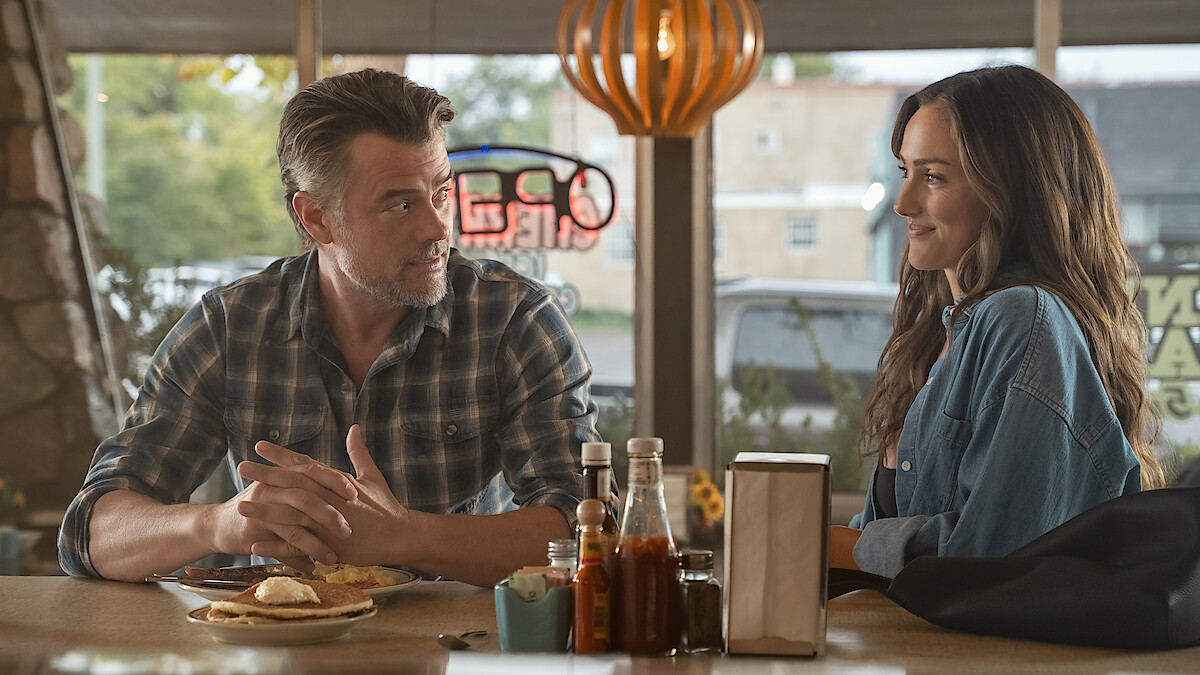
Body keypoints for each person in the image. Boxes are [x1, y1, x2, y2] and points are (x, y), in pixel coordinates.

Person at [58, 69, 603, 587]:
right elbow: (89, 533)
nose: (437, 226)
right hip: (272, 648)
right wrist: (218, 525)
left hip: (453, 649)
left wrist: (408, 537)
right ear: (316, 217)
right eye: (400, 204)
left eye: (441, 192)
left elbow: (586, 530)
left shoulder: (513, 319)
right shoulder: (231, 326)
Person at [829, 65, 1165, 578]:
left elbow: (991, 562)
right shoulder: (947, 336)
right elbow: (907, 525)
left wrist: (840, 548)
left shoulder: (1022, 321)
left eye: (934, 177)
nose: (903, 203)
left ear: (1010, 189)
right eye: (905, 172)